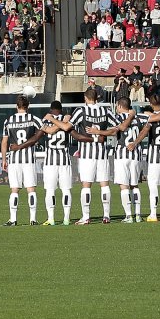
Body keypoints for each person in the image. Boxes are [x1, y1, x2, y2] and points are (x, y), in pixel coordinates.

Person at [11, 101, 74, 225]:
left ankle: (51, 218)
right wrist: (64, 123)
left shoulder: (46, 121)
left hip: (50, 161)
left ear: (51, 110)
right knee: (66, 190)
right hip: (65, 160)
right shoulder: (66, 120)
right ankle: (66, 218)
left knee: (50, 190)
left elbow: (37, 137)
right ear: (61, 110)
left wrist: (19, 146)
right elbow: (68, 129)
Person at [89, 98, 143, 223]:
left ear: (119, 106)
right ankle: (138, 214)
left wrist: (98, 132)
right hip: (135, 154)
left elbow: (114, 131)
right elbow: (147, 126)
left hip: (122, 154)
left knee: (124, 186)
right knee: (135, 185)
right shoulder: (139, 117)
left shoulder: (117, 118)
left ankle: (129, 215)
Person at [68, 88, 114, 224]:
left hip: (87, 154)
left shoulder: (81, 111)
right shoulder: (105, 111)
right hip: (102, 153)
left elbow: (68, 126)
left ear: (85, 98)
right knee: (104, 185)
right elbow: (117, 128)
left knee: (86, 185)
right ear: (97, 98)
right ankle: (106, 216)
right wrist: (101, 133)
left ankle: (86, 216)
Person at [131, 94, 160, 221]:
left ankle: (153, 214)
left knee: (153, 184)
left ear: (151, 104)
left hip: (154, 155)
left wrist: (135, 143)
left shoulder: (151, 118)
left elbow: (144, 132)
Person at [0, 95, 42, 226]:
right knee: (31, 189)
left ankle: (13, 219)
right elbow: (43, 130)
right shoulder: (33, 118)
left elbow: (4, 141)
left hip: (14, 159)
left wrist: (3, 159)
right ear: (28, 106)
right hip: (28, 159)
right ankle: (33, 219)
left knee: (14, 190)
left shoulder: (8, 121)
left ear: (16, 106)